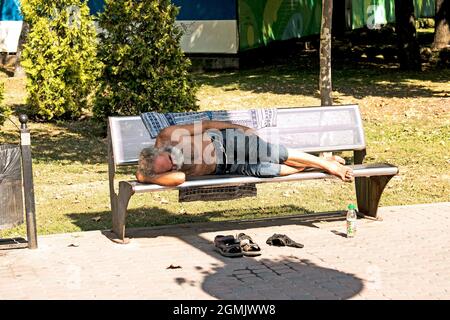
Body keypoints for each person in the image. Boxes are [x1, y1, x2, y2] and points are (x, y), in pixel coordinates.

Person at [136, 120, 354, 186]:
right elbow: (180, 178)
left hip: (227, 143)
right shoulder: (156, 171)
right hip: (226, 168)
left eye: (171, 160)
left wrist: (237, 128)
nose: (175, 165)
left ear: (158, 150)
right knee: (272, 171)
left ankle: (330, 166)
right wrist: (147, 177)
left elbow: (207, 124)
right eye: (171, 168)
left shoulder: (168, 135)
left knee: (273, 153)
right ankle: (321, 161)